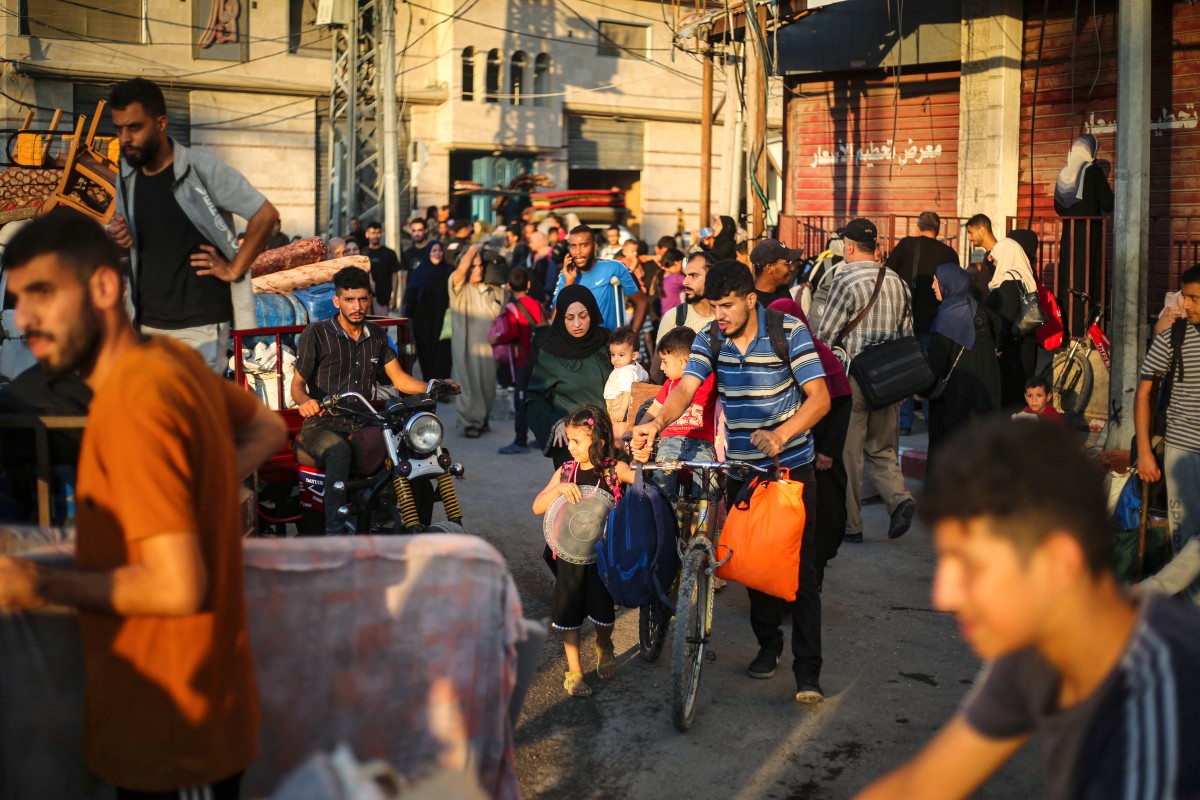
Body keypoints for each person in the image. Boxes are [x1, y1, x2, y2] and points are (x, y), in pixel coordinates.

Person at [0, 209, 288, 799]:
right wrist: (203, 492)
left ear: (105, 287)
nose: (24, 318)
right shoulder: (168, 361)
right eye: (17, 299)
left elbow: (174, 587)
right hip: (188, 717)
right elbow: (266, 428)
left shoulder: (134, 404)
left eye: (42, 293)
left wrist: (36, 583)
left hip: (174, 735)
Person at [856, 417, 1200, 800]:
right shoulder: (1039, 638)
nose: (943, 597)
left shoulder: (1153, 706)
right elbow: (923, 785)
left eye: (971, 565)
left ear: (1058, 564)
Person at [631, 260, 832, 702]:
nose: (719, 314)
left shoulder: (788, 332)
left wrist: (780, 435)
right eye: (714, 306)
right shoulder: (711, 337)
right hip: (742, 471)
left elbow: (820, 399)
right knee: (753, 566)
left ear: (750, 299)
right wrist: (657, 423)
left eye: (727, 305)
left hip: (789, 470)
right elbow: (685, 388)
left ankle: (808, 671)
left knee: (801, 570)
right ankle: (769, 646)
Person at [106, 78, 280, 372]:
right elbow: (129, 245)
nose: (125, 138)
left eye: (134, 127)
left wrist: (234, 268)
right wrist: (119, 240)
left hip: (200, 328)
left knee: (189, 403)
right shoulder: (127, 175)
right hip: (146, 326)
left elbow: (265, 214)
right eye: (119, 129)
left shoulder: (200, 168)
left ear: (161, 123)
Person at [292, 267, 437, 534]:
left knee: (409, 447)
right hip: (322, 424)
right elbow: (297, 385)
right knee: (339, 450)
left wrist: (433, 386)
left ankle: (404, 523)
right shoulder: (317, 333)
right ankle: (334, 531)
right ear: (337, 301)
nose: (357, 306)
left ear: (369, 299)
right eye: (349, 300)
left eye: (362, 299)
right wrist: (305, 401)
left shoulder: (377, 335)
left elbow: (400, 379)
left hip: (365, 421)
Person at [815, 218, 916, 544]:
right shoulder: (898, 281)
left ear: (849, 246)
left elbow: (826, 336)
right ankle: (899, 499)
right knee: (882, 449)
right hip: (888, 378)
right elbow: (908, 336)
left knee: (850, 454)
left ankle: (852, 525)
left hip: (854, 379)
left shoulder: (845, 279)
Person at [532, 404, 635, 697]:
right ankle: (574, 670)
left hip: (602, 557)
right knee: (568, 611)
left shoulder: (615, 470)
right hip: (568, 555)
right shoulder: (566, 471)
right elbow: (537, 506)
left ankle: (603, 644)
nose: (571, 447)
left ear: (599, 442)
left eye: (577, 441)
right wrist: (559, 489)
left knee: (604, 611)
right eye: (570, 440)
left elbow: (640, 482)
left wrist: (640, 460)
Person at [768, 298, 854, 582]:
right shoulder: (768, 354)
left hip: (819, 456)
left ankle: (810, 582)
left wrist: (828, 450)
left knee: (819, 520)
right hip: (784, 453)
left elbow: (840, 402)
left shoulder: (819, 354)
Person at [1136, 264, 1200, 553]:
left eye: (1194, 298)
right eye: (1184, 296)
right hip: (1183, 453)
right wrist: (1144, 452)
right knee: (1184, 542)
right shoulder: (1172, 337)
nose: (1186, 305)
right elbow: (1144, 394)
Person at [886, 212, 960, 433]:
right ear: (937, 229)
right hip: (936, 320)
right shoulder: (948, 253)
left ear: (918, 227)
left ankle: (904, 422)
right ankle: (931, 416)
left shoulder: (906, 245)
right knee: (930, 368)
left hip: (904, 318)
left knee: (905, 368)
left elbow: (888, 274)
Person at [527, 285, 613, 467]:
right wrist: (555, 423)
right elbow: (534, 399)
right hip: (573, 447)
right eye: (569, 317)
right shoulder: (551, 354)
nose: (577, 324)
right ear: (561, 318)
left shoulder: (607, 342)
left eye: (583, 316)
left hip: (611, 440)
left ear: (592, 313)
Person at [924, 263, 1001, 462]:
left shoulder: (947, 317)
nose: (933, 286)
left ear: (949, 284)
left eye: (936, 281)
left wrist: (922, 389)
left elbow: (936, 363)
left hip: (954, 404)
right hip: (984, 400)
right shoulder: (978, 309)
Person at [966, 214, 1040, 410]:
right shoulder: (1024, 277)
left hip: (1011, 352)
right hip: (1024, 346)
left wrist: (995, 344)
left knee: (1010, 402)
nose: (994, 262)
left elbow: (1003, 319)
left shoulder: (1008, 282)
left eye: (997, 258)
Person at [642, 326, 718, 497]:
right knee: (662, 480)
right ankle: (665, 510)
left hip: (702, 444)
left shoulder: (710, 379)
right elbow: (654, 410)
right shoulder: (669, 385)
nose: (661, 367)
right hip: (670, 442)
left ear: (684, 363)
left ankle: (704, 514)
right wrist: (638, 430)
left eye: (665, 361)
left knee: (708, 485)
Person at [1055, 134, 1114, 339]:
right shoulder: (1093, 171)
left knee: (1070, 277)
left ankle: (1068, 327)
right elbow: (1108, 203)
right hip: (1090, 234)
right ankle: (1089, 329)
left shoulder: (1064, 172)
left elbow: (1058, 207)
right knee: (1089, 276)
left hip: (1070, 233)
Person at [553, 225, 648, 335]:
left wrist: (632, 335)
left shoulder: (615, 268)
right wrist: (569, 283)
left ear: (595, 246)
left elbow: (642, 303)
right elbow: (554, 319)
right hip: (577, 343)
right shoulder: (565, 275)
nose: (578, 252)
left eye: (584, 245)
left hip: (608, 342)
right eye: (573, 246)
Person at [449, 245, 503, 438]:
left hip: (489, 349)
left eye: (481, 265)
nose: (478, 269)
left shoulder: (492, 289)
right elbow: (461, 270)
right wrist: (473, 248)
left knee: (487, 386)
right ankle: (471, 422)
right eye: (473, 266)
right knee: (468, 385)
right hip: (466, 349)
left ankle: (482, 417)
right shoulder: (458, 287)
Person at [497, 266, 546, 455]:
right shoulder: (537, 304)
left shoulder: (511, 308)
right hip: (539, 359)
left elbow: (511, 334)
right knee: (539, 398)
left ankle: (520, 440)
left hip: (522, 359)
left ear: (509, 286)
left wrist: (496, 338)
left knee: (521, 398)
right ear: (529, 284)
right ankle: (542, 438)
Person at [403, 241, 453, 383]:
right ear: (428, 253)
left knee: (442, 357)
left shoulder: (448, 271)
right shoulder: (419, 272)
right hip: (423, 324)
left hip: (443, 323)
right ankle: (430, 386)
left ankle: (443, 387)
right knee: (426, 357)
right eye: (434, 250)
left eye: (439, 250)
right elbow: (410, 298)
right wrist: (407, 322)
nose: (437, 253)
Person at [603, 326, 648, 440]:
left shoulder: (624, 370)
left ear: (634, 355)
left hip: (617, 403)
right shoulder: (637, 366)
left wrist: (621, 410)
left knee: (619, 436)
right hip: (630, 402)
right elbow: (646, 378)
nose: (615, 359)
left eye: (621, 355)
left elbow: (627, 392)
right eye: (613, 354)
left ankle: (623, 449)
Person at [750, 238, 803, 308]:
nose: (792, 268)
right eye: (787, 263)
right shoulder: (751, 303)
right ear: (769, 268)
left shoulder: (783, 291)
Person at [364, 221, 401, 315]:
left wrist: (394, 297)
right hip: (364, 299)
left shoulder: (389, 253)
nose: (375, 236)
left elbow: (395, 275)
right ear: (367, 234)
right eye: (373, 233)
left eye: (378, 233)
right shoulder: (363, 253)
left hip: (384, 300)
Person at [400, 217, 432, 291]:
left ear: (426, 230)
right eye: (414, 231)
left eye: (420, 230)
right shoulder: (407, 253)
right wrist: (404, 296)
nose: (416, 234)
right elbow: (405, 277)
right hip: (412, 294)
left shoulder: (432, 251)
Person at [658, 248, 687, 315]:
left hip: (665, 316)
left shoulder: (663, 277)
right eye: (681, 264)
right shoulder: (676, 278)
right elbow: (693, 283)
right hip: (675, 317)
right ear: (676, 263)